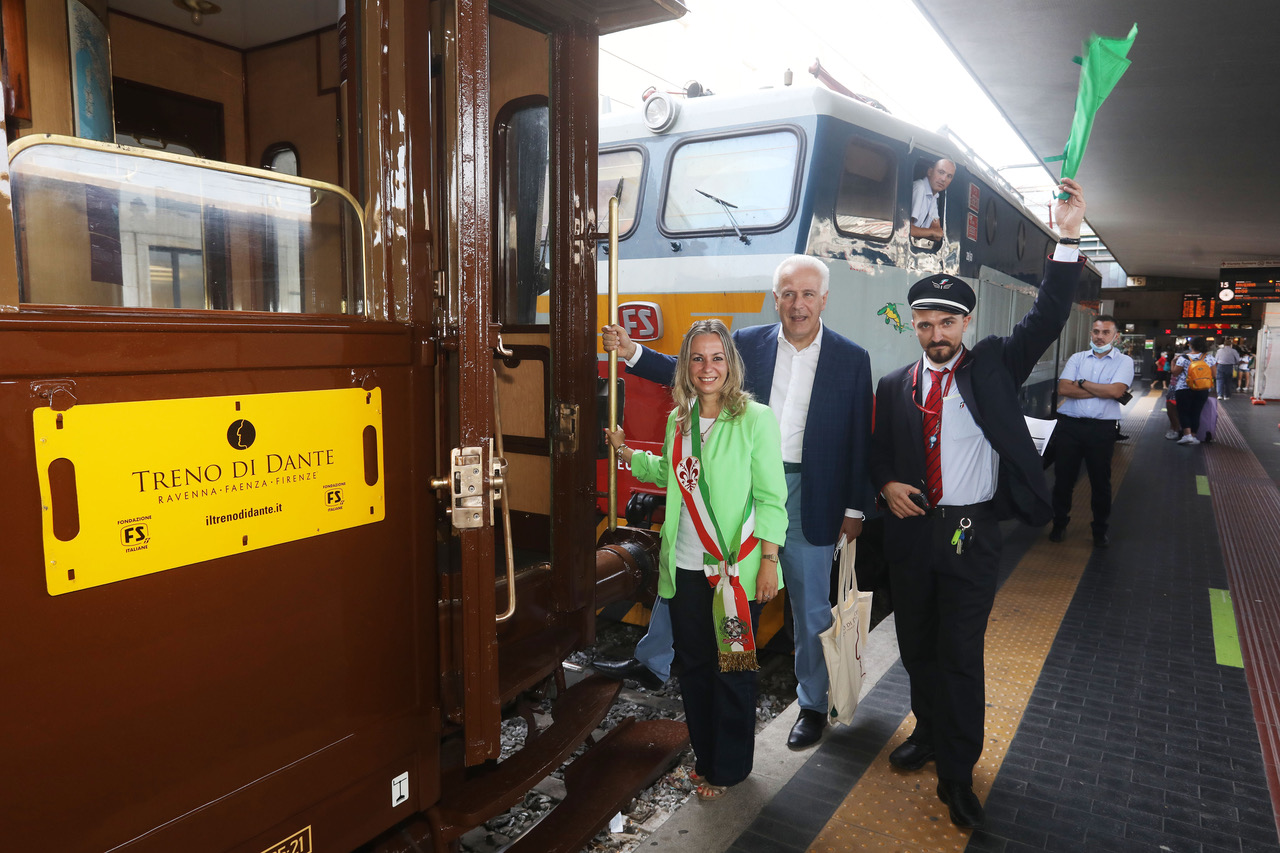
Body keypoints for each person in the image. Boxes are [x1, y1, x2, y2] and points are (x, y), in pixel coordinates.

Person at [870, 178, 1087, 830]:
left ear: (965, 323)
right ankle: (929, 731)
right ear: (914, 325)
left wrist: (1069, 236)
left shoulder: (993, 365)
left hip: (968, 532)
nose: (934, 333)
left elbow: (1048, 315)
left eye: (945, 322)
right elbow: (877, 452)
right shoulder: (894, 384)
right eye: (924, 323)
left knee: (960, 653)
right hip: (911, 535)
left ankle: (958, 773)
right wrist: (883, 485)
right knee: (917, 646)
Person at [596, 254, 874, 751]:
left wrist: (854, 509)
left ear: (824, 299)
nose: (798, 304)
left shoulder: (852, 358)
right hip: (741, 485)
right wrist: (634, 352)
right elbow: (690, 371)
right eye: (788, 293)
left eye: (808, 294)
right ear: (776, 298)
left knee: (809, 608)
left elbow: (859, 437)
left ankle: (811, 703)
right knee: (689, 566)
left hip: (812, 490)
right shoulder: (747, 344)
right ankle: (655, 659)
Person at [605, 319, 788, 801]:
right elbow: (671, 472)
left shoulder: (755, 419)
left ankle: (729, 770)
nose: (707, 368)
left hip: (735, 573)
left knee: (734, 670)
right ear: (686, 366)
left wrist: (770, 559)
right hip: (684, 570)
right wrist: (627, 454)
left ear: (731, 364)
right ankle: (707, 760)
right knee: (695, 668)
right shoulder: (679, 419)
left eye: (717, 357)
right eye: (697, 358)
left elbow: (772, 497)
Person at [1047, 315, 1134, 548]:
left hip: (1101, 430)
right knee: (1063, 479)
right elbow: (1064, 388)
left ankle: (1099, 529)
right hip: (1070, 427)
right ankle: (1059, 523)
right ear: (1091, 333)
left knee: (1100, 482)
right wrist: (1101, 390)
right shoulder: (1077, 358)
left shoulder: (1124, 362)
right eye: (1096, 331)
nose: (1099, 336)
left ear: (1115, 336)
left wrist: (1082, 383)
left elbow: (1117, 391)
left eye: (1105, 332)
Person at [1171, 337, 1215, 445]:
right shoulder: (1210, 358)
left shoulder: (1184, 358)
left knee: (1184, 411)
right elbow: (1214, 375)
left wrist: (1173, 362)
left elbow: (1175, 373)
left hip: (1184, 388)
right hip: (1202, 389)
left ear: (1191, 345)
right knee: (1196, 412)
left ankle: (1187, 435)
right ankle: (1194, 437)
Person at [910, 158, 955, 241]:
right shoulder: (920, 188)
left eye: (949, 176)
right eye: (941, 172)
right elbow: (906, 228)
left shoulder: (934, 197)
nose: (943, 179)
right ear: (930, 172)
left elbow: (938, 235)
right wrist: (931, 232)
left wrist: (926, 232)